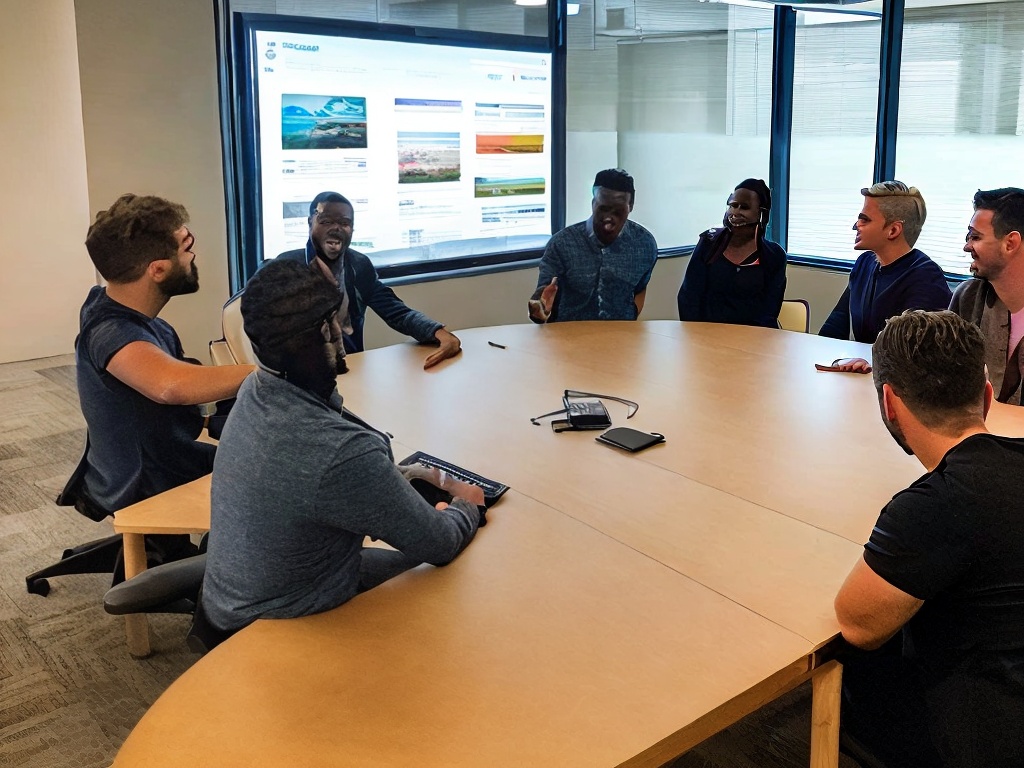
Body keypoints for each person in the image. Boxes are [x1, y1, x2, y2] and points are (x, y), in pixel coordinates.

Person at [201, 259, 483, 637]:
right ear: (325, 331)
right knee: (463, 583)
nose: (345, 330)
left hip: (235, 600)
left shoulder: (257, 391)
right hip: (283, 628)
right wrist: (467, 502)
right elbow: (439, 542)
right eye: (339, 321)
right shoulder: (340, 453)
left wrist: (410, 476)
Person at [834, 310, 1024, 767]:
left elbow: (858, 625)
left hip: (985, 736)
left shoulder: (934, 505)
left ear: (889, 403)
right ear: (986, 395)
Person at [77, 194, 253, 524]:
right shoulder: (112, 332)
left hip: (155, 453)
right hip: (146, 478)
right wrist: (266, 373)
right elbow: (170, 386)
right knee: (277, 474)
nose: (194, 256)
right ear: (158, 269)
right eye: (186, 250)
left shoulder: (110, 303)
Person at [276, 191, 461, 370]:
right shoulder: (284, 267)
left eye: (345, 223)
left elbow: (396, 312)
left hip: (350, 369)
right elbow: (254, 319)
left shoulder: (358, 265)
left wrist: (440, 334)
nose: (336, 228)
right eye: (326, 221)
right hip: (297, 378)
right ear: (310, 223)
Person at [819, 181, 950, 351]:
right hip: (865, 368)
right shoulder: (864, 263)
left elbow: (913, 353)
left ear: (893, 230)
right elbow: (837, 320)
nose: (855, 225)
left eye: (864, 220)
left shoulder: (927, 278)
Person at [528, 168, 658, 323]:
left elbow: (640, 288)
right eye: (603, 209)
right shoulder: (562, 244)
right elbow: (543, 297)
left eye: (618, 211)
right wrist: (540, 311)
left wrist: (631, 318)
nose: (609, 219)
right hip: (568, 339)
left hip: (622, 339)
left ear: (631, 206)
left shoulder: (644, 244)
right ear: (593, 203)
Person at [676, 179, 787, 327]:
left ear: (761, 213)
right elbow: (688, 297)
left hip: (754, 339)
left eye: (745, 207)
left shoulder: (774, 256)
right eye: (733, 205)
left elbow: (769, 311)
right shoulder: (708, 244)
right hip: (706, 335)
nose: (736, 212)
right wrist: (699, 334)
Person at [949, 187, 1024, 404]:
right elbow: (941, 372)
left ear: (1010, 243)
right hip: (979, 434)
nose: (966, 246)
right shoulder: (968, 297)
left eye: (975, 237)